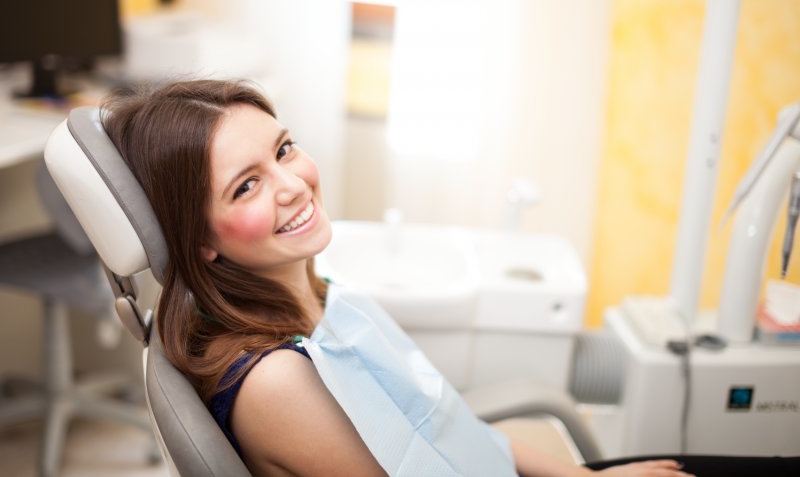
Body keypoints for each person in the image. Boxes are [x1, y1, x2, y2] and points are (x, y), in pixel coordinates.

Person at [101, 79, 797, 477]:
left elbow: (445, 422)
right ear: (201, 240)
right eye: (247, 185)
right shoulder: (275, 380)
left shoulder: (316, 297)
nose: (292, 184)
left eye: (284, 148)